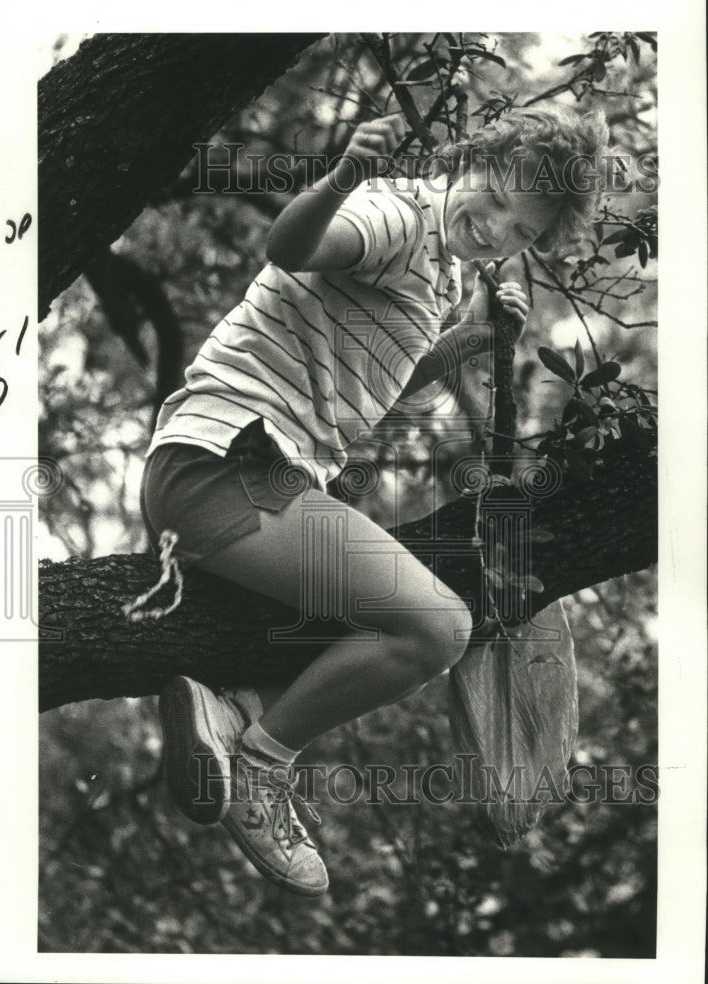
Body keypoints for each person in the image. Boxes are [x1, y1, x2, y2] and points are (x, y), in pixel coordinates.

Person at [141, 105, 609, 896]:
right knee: (436, 627)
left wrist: (470, 336)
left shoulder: (439, 270)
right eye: (493, 198)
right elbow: (290, 247)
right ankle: (260, 765)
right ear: (473, 160)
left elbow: (394, 374)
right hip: (227, 465)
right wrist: (343, 177)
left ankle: (231, 716)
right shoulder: (395, 214)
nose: (495, 231)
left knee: (386, 610)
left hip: (247, 475)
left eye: (521, 232)